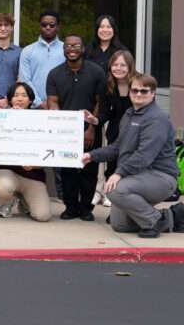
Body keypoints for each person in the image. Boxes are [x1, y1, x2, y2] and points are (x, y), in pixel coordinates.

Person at [83, 75, 184, 237]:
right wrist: (91, 155)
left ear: (153, 94)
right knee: (120, 225)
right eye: (135, 90)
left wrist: (118, 173)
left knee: (114, 189)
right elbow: (117, 147)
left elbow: (144, 155)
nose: (138, 94)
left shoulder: (157, 118)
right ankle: (171, 216)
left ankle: (154, 221)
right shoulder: (130, 114)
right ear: (129, 93)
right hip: (138, 176)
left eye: (144, 91)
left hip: (161, 177)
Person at [46, 33, 105, 221]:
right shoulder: (55, 74)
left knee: (89, 169)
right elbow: (52, 102)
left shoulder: (96, 72)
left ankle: (86, 208)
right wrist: (60, 125)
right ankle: (70, 208)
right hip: (66, 131)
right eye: (68, 46)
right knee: (68, 170)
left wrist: (91, 128)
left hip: (90, 129)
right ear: (63, 50)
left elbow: (99, 102)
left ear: (83, 48)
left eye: (76, 45)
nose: (72, 49)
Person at [0, 82, 52, 222]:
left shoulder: (42, 120)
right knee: (3, 188)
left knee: (43, 216)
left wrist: (34, 165)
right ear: (10, 99)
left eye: (24, 95)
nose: (20, 99)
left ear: (30, 100)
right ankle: (7, 202)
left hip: (33, 174)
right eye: (16, 95)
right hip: (8, 171)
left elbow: (49, 153)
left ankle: (24, 202)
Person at [93, 50, 139, 207]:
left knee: (130, 164)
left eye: (122, 65)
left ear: (130, 67)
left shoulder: (138, 83)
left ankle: (129, 196)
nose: (118, 68)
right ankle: (110, 194)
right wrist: (95, 120)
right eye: (115, 65)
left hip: (136, 130)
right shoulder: (108, 85)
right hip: (115, 129)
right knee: (112, 164)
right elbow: (105, 112)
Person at [19, 11, 64, 108]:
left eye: (52, 25)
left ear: (58, 27)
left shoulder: (66, 49)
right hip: (35, 107)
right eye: (44, 24)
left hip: (62, 106)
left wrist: (56, 103)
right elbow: (25, 80)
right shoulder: (27, 51)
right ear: (39, 26)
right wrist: (38, 103)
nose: (48, 27)